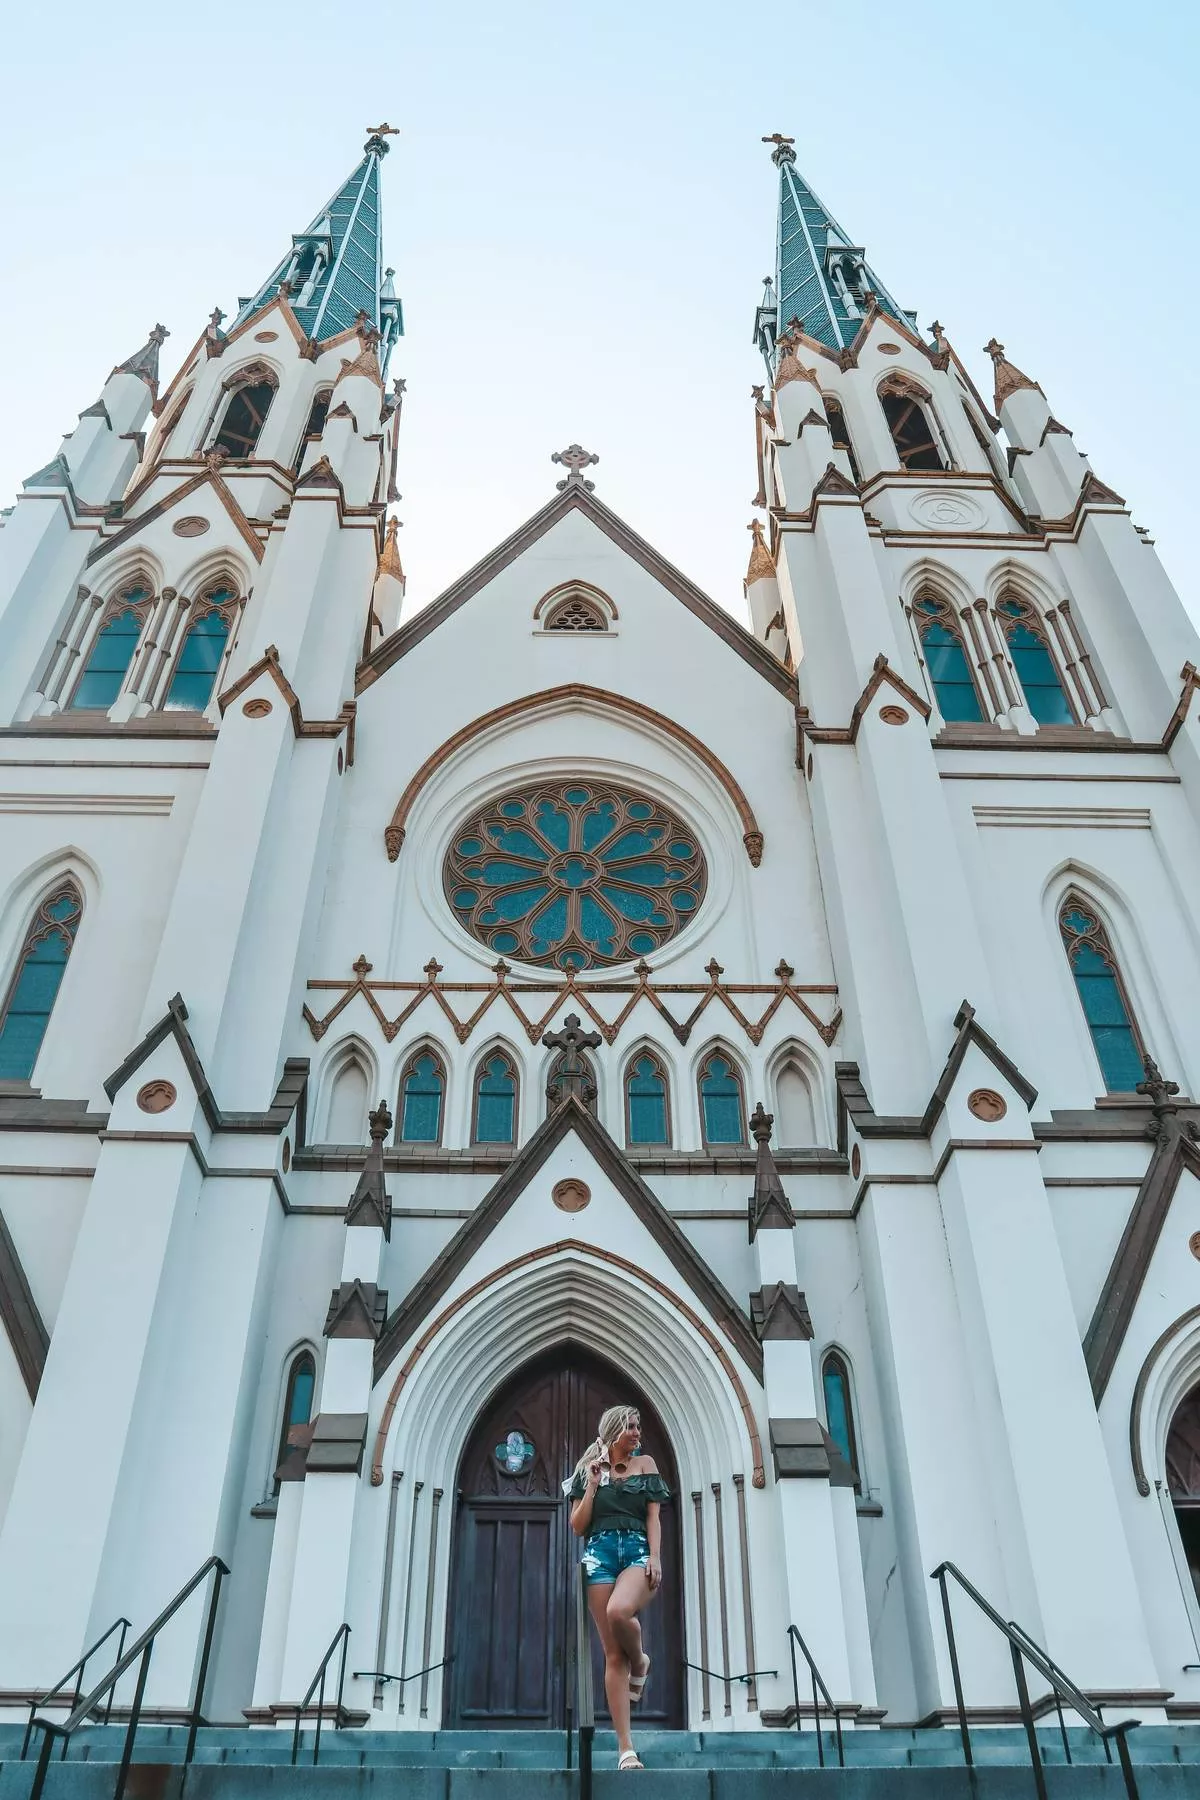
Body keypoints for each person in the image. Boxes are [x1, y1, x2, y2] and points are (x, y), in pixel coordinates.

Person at [566, 1404, 670, 1771]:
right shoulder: (587, 1470)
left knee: (618, 1611)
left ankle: (640, 1661)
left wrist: (655, 1557)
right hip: (599, 1556)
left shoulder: (648, 1466)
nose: (638, 1433)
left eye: (638, 1427)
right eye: (631, 1427)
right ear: (614, 1431)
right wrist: (593, 1484)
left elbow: (654, 1517)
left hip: (637, 1552)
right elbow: (578, 1526)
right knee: (612, 1655)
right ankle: (626, 1748)